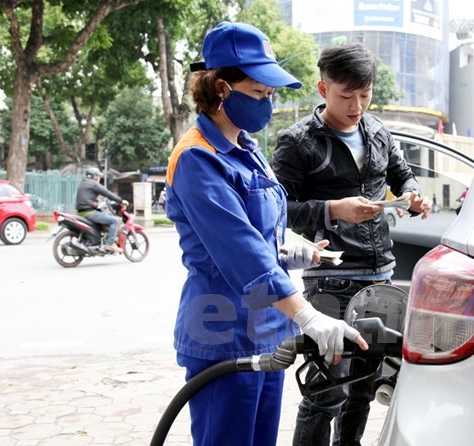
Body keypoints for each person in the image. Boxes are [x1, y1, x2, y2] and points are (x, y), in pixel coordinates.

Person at [164, 21, 368, 446]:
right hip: (222, 330)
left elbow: (261, 233)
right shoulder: (197, 159)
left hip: (268, 326)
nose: (268, 105)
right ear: (222, 89)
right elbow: (239, 251)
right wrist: (309, 316)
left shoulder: (247, 149)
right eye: (259, 93)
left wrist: (298, 251)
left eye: (270, 95)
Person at [271, 42, 432, 446]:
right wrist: (332, 210)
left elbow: (402, 173)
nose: (357, 104)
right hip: (331, 280)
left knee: (364, 386)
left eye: (365, 94)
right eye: (347, 95)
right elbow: (276, 209)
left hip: (380, 277)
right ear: (323, 90)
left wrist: (413, 196)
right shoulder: (297, 142)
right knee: (327, 392)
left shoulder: (377, 130)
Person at [75, 166, 124, 254]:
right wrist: (120, 201)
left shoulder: (82, 183)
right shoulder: (93, 184)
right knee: (114, 221)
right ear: (94, 176)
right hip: (89, 212)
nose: (98, 178)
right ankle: (110, 244)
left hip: (81, 213)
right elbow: (107, 193)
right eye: (97, 176)